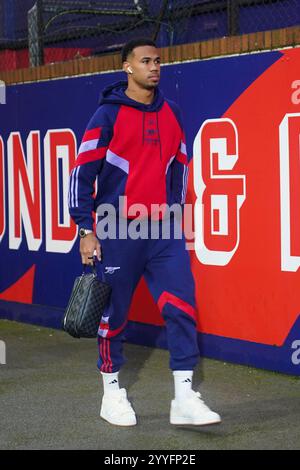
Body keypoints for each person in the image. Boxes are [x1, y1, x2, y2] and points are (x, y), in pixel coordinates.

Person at [68, 38, 221, 427]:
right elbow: (81, 175)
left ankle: (184, 398)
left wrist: (172, 211)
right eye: (145, 61)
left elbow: (180, 168)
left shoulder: (171, 112)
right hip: (116, 231)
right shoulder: (107, 116)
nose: (154, 67)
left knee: (182, 307)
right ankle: (111, 392)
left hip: (163, 232)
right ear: (127, 67)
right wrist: (86, 228)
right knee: (113, 317)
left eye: (158, 61)